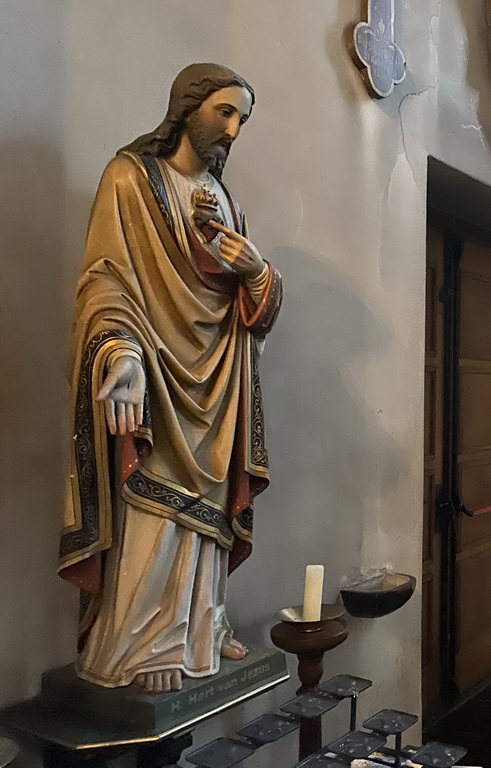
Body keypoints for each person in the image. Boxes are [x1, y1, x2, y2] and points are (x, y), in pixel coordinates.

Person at [59, 64, 282, 694]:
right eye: (224, 112)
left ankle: (203, 627)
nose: (233, 130)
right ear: (187, 107)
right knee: (150, 513)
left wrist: (257, 270)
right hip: (154, 373)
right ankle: (138, 643)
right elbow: (106, 279)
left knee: (205, 522)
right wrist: (120, 356)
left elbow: (254, 313)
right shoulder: (130, 178)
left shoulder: (227, 199)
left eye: (241, 118)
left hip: (219, 383)